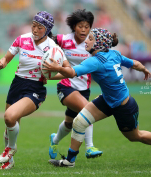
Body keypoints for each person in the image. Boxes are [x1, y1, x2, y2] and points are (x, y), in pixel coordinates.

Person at [43, 28, 151, 167]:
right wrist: (144, 69)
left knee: (135, 136)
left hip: (123, 106)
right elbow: (134, 63)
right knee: (79, 122)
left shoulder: (95, 61)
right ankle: (70, 161)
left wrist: (57, 67)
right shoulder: (114, 53)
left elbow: (72, 72)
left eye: (90, 38)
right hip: (107, 100)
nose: (86, 41)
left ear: (98, 43)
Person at [0, 11, 70, 170]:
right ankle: (10, 161)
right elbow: (6, 59)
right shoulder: (22, 39)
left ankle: (11, 149)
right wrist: (0, 63)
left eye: (39, 27)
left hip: (35, 89)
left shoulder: (53, 48)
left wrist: (51, 73)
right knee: (10, 123)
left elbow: (68, 70)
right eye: (33, 26)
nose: (35, 30)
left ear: (47, 30)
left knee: (9, 116)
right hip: (17, 84)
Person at [47, 9, 103, 159]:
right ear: (74, 27)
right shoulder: (64, 39)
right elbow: (45, 41)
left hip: (84, 89)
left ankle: (55, 139)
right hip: (66, 86)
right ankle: (89, 147)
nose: (83, 30)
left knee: (69, 123)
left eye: (87, 26)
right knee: (88, 111)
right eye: (80, 26)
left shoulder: (92, 44)